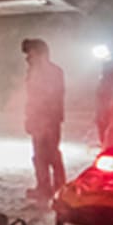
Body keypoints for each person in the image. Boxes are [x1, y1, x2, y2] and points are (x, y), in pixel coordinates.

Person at [21, 38, 65, 199]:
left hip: (49, 119)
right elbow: (31, 98)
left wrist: (45, 117)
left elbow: (52, 97)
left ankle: (59, 186)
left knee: (51, 153)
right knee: (39, 155)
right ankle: (44, 186)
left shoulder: (52, 72)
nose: (28, 57)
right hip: (39, 118)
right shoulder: (35, 71)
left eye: (30, 53)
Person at [94, 60, 113, 145]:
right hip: (104, 109)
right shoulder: (103, 80)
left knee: (109, 129)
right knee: (103, 129)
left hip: (112, 109)